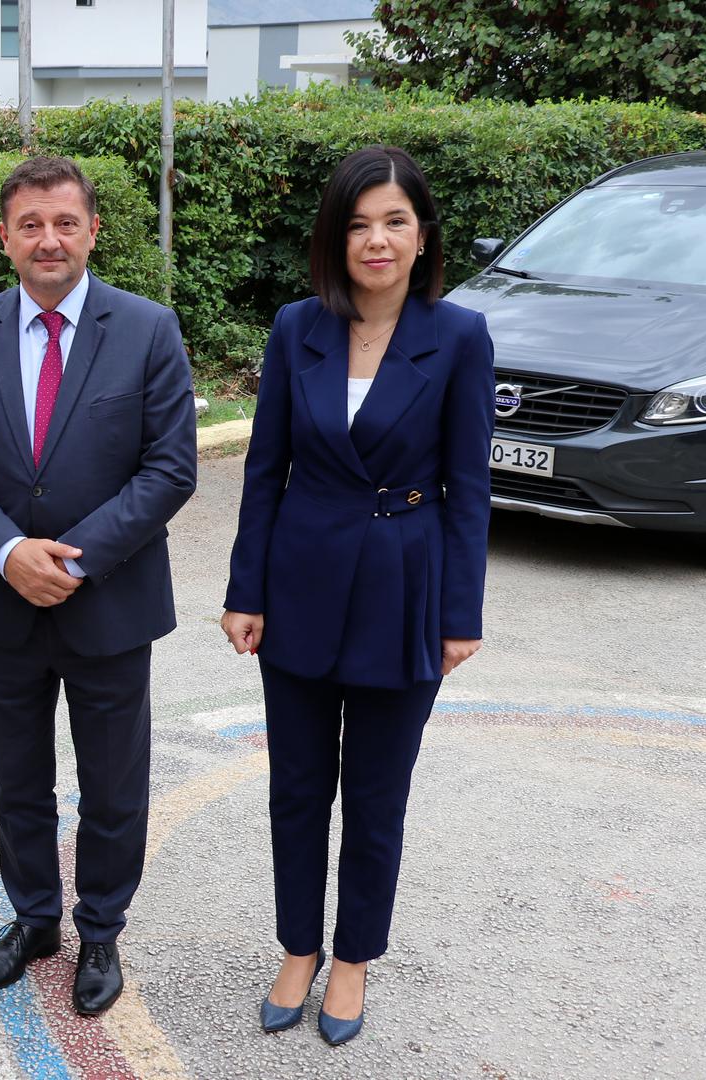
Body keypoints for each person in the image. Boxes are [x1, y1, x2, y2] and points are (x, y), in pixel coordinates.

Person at [219, 145, 494, 1045]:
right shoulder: (297, 327)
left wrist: (460, 614)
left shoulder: (459, 336)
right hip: (298, 580)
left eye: (395, 222)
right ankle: (297, 947)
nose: (377, 240)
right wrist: (245, 590)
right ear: (335, 240)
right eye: (359, 224)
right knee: (297, 789)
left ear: (423, 237)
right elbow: (264, 471)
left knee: (377, 797)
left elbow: (469, 488)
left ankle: (352, 961)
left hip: (403, 587)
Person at [0, 156, 197, 1017]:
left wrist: (72, 560)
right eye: (31, 225)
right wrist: (10, 552)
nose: (49, 239)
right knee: (18, 780)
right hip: (3, 603)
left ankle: (101, 931)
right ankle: (35, 921)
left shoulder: (148, 329)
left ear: (92, 232)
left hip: (110, 603)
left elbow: (170, 469)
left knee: (113, 786)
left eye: (65, 223)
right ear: (5, 238)